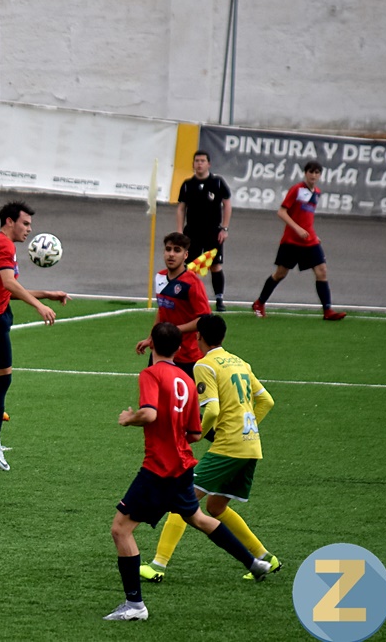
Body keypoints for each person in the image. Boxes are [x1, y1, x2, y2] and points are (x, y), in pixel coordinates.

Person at [105, 323, 272, 622]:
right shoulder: (185, 376)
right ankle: (254, 562)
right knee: (198, 517)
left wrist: (130, 418)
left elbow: (150, 413)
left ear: (152, 344)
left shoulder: (151, 374)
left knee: (121, 529)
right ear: (180, 348)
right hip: (183, 464)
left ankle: (135, 605)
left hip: (158, 468)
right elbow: (195, 434)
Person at [140, 314, 281, 583]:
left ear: (198, 337)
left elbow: (213, 409)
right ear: (223, 337)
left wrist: (193, 437)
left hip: (228, 447)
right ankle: (266, 559)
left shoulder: (204, 365)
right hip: (250, 446)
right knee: (216, 507)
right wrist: (246, 429)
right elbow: (267, 401)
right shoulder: (240, 361)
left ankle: (158, 565)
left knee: (182, 501)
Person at [0, 200, 70, 471]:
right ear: (9, 222)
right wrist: (39, 306)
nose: (29, 230)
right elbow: (8, 283)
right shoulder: (3, 244)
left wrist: (47, 293)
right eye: (25, 223)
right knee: (0, 380)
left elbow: (8, 288)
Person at [252, 161, 346, 320]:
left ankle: (328, 311)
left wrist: (313, 235)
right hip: (291, 241)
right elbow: (281, 212)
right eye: (311, 172)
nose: (314, 175)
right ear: (305, 173)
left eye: (317, 172)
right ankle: (259, 303)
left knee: (322, 271)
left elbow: (307, 218)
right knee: (280, 274)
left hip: (309, 241)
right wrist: (297, 229)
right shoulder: (297, 189)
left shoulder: (317, 192)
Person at [135, 232, 210, 380]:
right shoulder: (160, 277)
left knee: (184, 400)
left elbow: (205, 320)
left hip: (187, 356)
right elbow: (162, 311)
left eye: (177, 250)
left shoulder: (192, 284)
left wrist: (175, 330)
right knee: (154, 396)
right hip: (160, 350)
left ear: (185, 255)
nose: (171, 254)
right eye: (168, 249)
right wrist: (151, 338)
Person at [176, 150, 232, 312]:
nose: (199, 164)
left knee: (215, 265)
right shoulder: (187, 184)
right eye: (197, 161)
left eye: (202, 161)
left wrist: (225, 228)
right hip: (192, 232)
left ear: (209, 164)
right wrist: (180, 232)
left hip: (213, 232)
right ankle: (187, 298)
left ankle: (219, 298)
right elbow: (181, 209)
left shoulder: (218, 183)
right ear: (193, 164)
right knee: (190, 267)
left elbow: (227, 205)